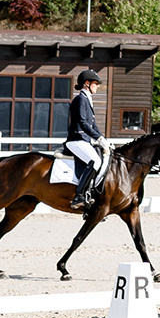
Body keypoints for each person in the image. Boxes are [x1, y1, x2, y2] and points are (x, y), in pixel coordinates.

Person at [65, 70, 105, 214]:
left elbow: (93, 125)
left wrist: (102, 139)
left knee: (102, 158)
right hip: (76, 139)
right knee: (95, 161)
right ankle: (79, 196)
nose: (97, 86)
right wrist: (98, 138)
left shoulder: (87, 99)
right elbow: (83, 123)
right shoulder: (81, 99)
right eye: (95, 83)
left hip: (85, 140)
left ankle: (90, 195)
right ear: (87, 84)